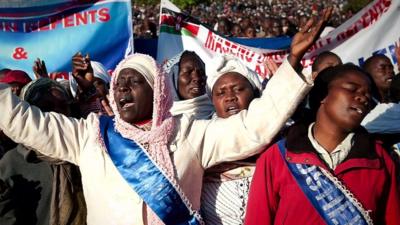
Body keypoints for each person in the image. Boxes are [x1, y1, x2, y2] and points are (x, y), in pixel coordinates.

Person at [0, 8, 331, 225]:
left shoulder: (190, 132)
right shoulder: (91, 135)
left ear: (158, 90)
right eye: (119, 84)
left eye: (134, 82)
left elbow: (253, 128)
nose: (123, 90)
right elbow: (26, 122)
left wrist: (290, 64)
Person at [245, 64, 400, 225]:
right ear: (323, 95)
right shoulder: (276, 158)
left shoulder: (381, 161)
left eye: (368, 95)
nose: (363, 98)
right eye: (352, 89)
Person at [0, 78, 86, 225]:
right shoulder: (11, 162)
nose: (57, 113)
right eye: (46, 107)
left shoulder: (84, 152)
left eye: (63, 106)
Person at [201, 55, 263, 225]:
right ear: (212, 101)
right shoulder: (202, 137)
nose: (230, 97)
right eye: (221, 93)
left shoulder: (281, 133)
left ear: (255, 92)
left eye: (238, 89)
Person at [163, 51, 214, 118]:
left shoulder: (221, 114)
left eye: (201, 72)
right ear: (173, 78)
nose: (197, 78)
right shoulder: (158, 122)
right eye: (188, 72)